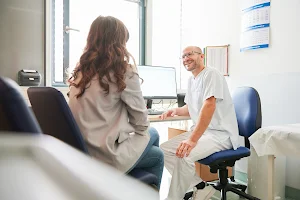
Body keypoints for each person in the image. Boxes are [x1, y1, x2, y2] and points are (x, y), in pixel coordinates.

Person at [68, 16, 164, 189]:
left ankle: (121, 189)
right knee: (156, 150)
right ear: (119, 42)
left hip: (82, 152)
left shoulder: (80, 71)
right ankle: (124, 187)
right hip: (105, 155)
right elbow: (141, 124)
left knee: (153, 135)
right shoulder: (123, 71)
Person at [160, 46, 239, 200]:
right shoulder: (191, 80)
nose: (185, 59)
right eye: (183, 56)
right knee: (164, 150)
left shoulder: (211, 74)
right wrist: (175, 110)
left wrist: (192, 139)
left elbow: (209, 105)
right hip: (204, 133)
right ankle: (200, 187)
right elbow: (191, 108)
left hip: (220, 134)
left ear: (201, 56)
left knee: (184, 155)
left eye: (189, 54)